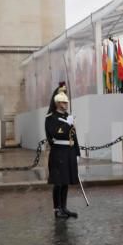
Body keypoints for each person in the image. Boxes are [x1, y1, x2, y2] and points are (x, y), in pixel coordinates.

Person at [45, 84, 80, 219]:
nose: (65, 104)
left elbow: (73, 135)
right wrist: (67, 124)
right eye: (63, 102)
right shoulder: (51, 118)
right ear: (57, 103)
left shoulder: (68, 116)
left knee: (65, 181)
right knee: (58, 182)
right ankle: (56, 209)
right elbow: (56, 134)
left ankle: (64, 207)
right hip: (58, 152)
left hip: (69, 152)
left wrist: (77, 153)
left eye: (66, 102)